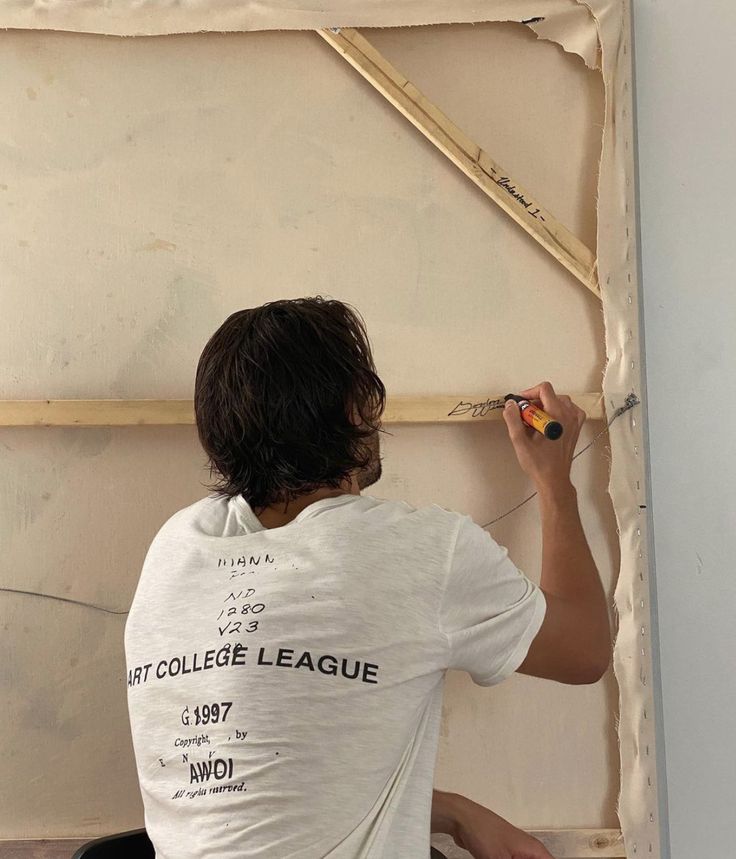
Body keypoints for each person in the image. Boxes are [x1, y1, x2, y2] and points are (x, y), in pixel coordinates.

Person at [124, 297, 611, 859]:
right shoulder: (421, 549)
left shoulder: (176, 547)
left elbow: (269, 782)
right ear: (358, 408)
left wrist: (449, 810)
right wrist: (555, 483)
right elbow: (584, 652)